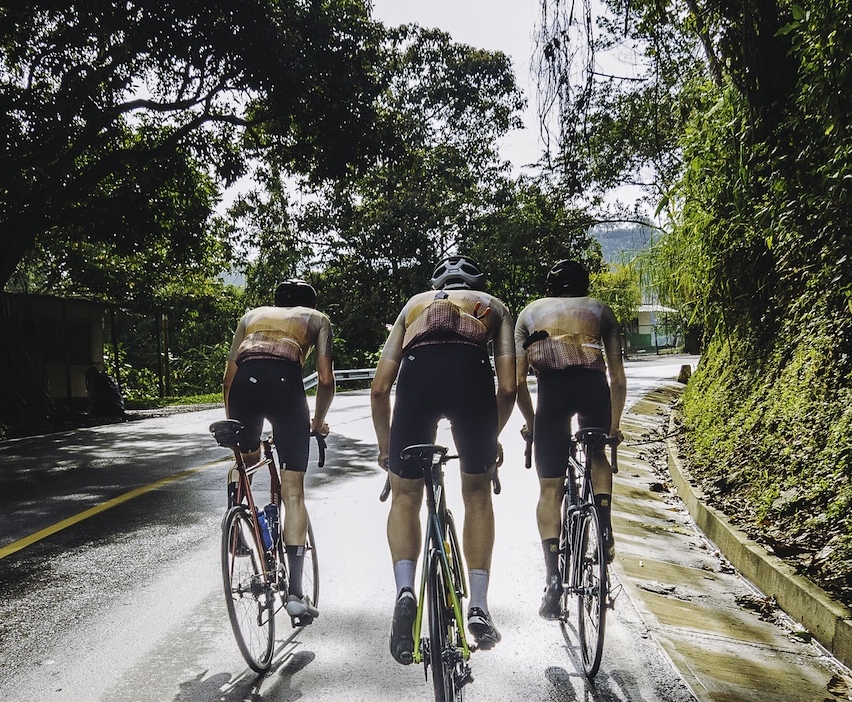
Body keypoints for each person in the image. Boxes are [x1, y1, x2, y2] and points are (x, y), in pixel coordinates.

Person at [370, 254, 518, 662]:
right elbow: (508, 388)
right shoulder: (495, 306)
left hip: (417, 382)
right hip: (471, 383)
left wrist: (387, 448)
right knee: (476, 494)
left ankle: (404, 591)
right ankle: (479, 607)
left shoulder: (413, 304)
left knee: (405, 498)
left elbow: (380, 389)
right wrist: (492, 435)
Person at [513, 259, 627, 619]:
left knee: (550, 490)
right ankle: (604, 529)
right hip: (594, 389)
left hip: (552, 397)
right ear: (585, 285)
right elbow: (618, 379)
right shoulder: (600, 310)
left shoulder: (529, 313)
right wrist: (614, 427)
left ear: (549, 290)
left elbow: (516, 383)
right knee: (597, 458)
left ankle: (553, 578)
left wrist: (532, 425)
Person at [221, 280, 335, 622]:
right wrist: (317, 422)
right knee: (293, 492)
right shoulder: (317, 318)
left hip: (245, 386)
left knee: (247, 458)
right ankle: (296, 595)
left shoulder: (251, 315)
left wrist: (235, 424)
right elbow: (326, 380)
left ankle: (236, 508)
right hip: (286, 387)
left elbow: (228, 379)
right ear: (309, 302)